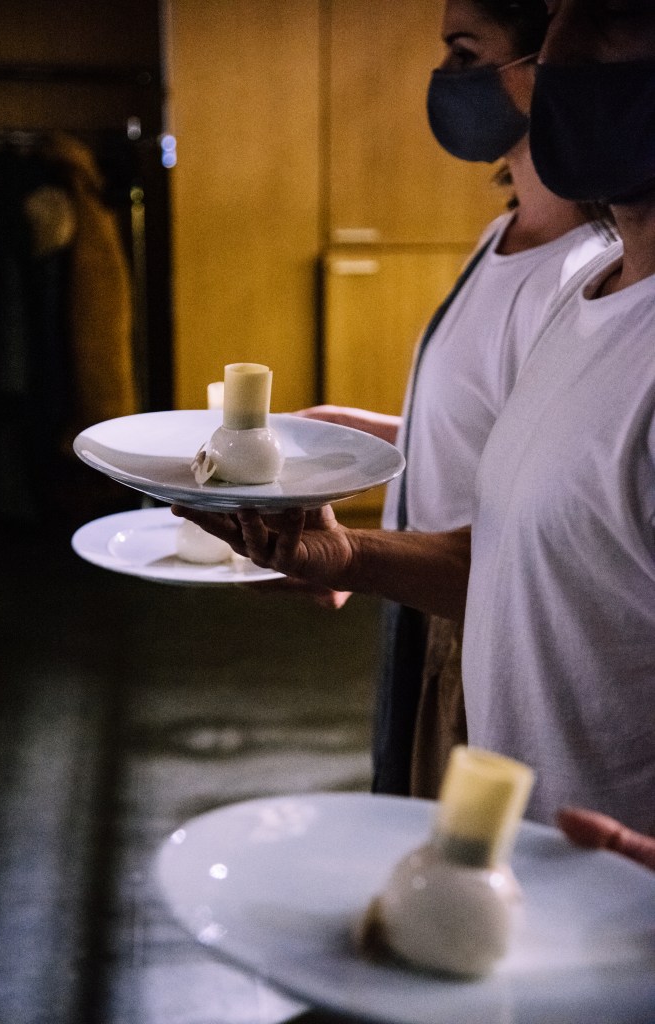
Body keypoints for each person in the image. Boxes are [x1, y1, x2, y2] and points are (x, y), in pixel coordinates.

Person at [174, 0, 655, 838]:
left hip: (608, 890)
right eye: (555, 18)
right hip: (530, 857)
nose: (557, 54)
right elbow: (524, 545)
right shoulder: (592, 301)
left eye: (608, 15)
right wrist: (351, 548)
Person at [285, 0, 614, 799]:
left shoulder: (582, 272)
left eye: (466, 54)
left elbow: (551, 505)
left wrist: (358, 556)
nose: (445, 79)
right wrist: (363, 441)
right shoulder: (502, 237)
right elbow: (506, 434)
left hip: (478, 619)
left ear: (545, 68)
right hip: (421, 602)